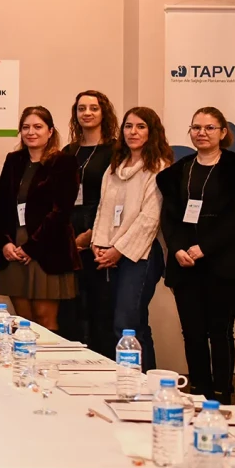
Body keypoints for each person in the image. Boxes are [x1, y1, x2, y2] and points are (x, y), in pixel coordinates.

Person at [157, 107, 235, 404]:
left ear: (223, 132)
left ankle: (222, 394)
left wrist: (205, 247)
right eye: (196, 127)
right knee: (192, 332)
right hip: (185, 261)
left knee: (220, 330)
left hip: (226, 261)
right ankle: (199, 391)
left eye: (209, 127)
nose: (202, 133)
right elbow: (170, 216)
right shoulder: (179, 170)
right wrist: (177, 248)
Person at [91, 107, 171, 364]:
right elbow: (103, 209)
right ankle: (138, 378)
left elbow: (149, 219)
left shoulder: (159, 168)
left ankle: (142, 381)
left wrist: (118, 250)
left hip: (141, 256)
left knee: (126, 325)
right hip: (110, 254)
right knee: (129, 324)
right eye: (128, 126)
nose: (133, 132)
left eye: (140, 126)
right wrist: (99, 244)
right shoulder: (115, 167)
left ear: (152, 132)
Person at [0, 106, 80, 331]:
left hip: (47, 249)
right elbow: (2, 205)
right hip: (14, 248)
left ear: (50, 131)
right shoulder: (14, 160)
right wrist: (4, 243)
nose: (31, 132)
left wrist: (32, 248)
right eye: (26, 127)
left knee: (44, 320)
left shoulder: (64, 162)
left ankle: (46, 357)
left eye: (38, 127)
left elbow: (61, 212)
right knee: (23, 321)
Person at [59, 90, 118, 350]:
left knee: (100, 311)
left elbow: (116, 199)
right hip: (69, 235)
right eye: (81, 108)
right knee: (71, 310)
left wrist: (93, 234)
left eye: (93, 108)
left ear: (104, 112)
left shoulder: (116, 150)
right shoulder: (69, 151)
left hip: (100, 236)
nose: (87, 113)